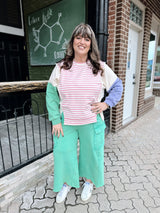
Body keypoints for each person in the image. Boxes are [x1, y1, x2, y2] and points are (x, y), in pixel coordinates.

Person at [46, 23, 123, 203]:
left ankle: (88, 182)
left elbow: (117, 86)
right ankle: (66, 183)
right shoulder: (61, 67)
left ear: (91, 44)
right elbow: (50, 94)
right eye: (78, 38)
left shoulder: (100, 67)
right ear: (72, 42)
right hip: (66, 122)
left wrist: (106, 104)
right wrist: (55, 120)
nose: (82, 42)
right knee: (63, 153)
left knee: (91, 154)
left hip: (92, 121)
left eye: (86, 39)